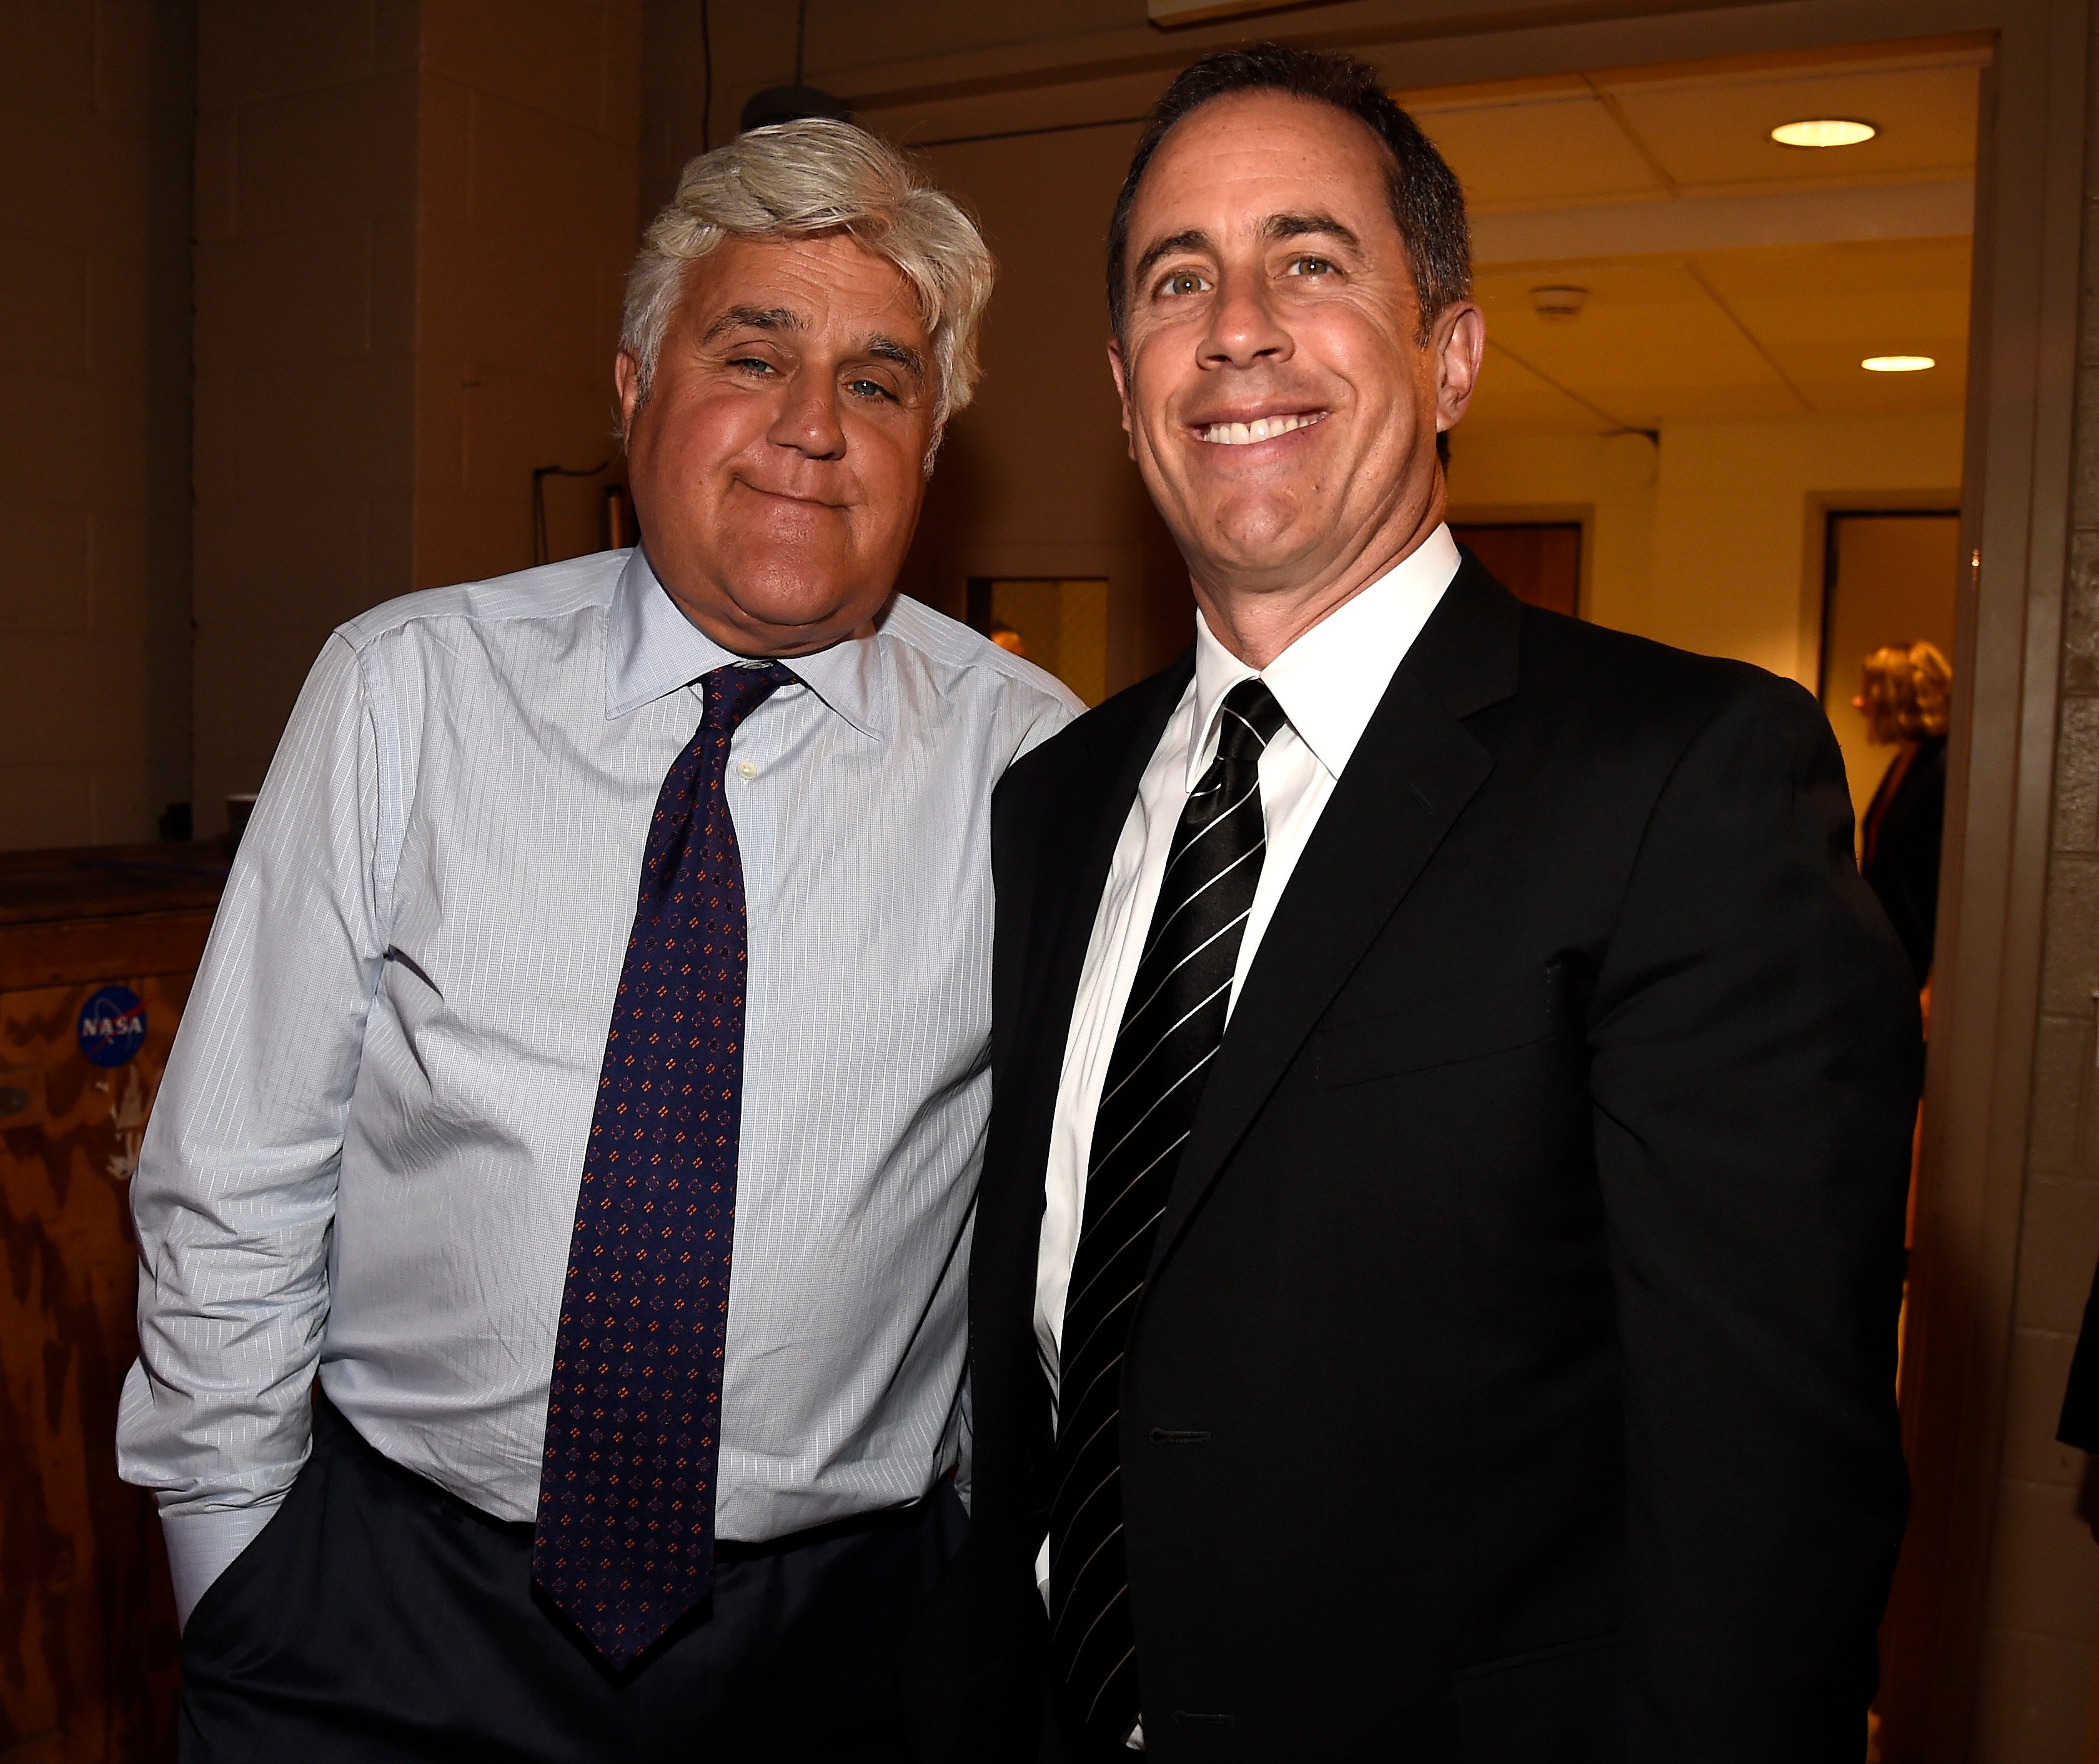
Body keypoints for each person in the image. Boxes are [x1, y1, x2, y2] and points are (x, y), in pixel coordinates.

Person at [913, 45, 1923, 1761]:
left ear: (1449, 355)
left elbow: (1768, 1507)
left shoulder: (1679, 784)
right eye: (1179, 278)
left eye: (1310, 261)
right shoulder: (1054, 806)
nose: (1236, 324)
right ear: (1124, 379)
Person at [116, 119, 1079, 1762]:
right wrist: (239, 1581)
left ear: (934, 436)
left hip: (849, 1658)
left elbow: (1055, 1247)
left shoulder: (1035, 767)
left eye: (878, 379)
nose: (810, 429)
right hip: (389, 1618)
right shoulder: (406, 693)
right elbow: (237, 1168)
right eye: (751, 352)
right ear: (633, 389)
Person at [1853, 640, 1952, 986]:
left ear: (1900, 698)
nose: (1858, 702)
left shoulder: (1943, 769)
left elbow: (1948, 883)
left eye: (1870, 690)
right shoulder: (1906, 761)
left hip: (1919, 964)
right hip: (1891, 958)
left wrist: (1935, 982)